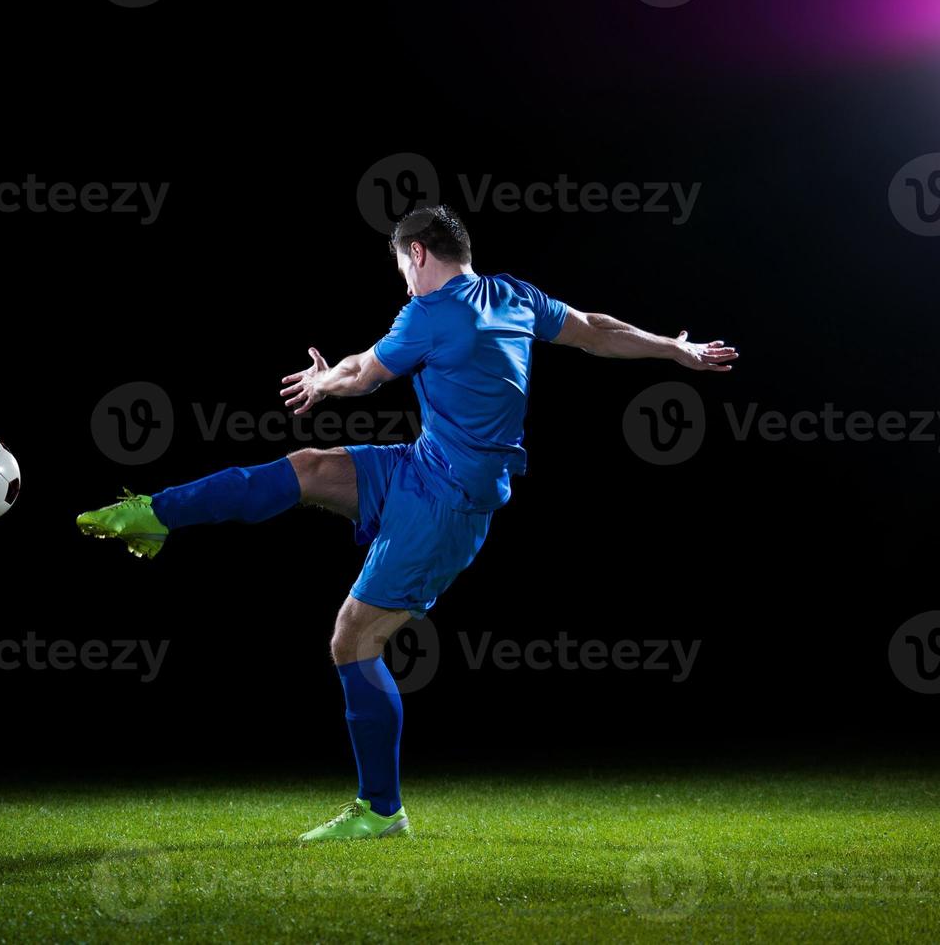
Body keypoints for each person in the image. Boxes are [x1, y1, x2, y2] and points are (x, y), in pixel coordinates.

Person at [76, 205, 737, 842]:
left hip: (449, 498)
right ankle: (154, 514)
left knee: (352, 638)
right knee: (306, 467)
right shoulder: (512, 296)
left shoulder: (429, 312)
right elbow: (596, 327)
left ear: (416, 252)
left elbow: (364, 374)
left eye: (400, 262)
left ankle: (379, 809)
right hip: (421, 464)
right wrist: (673, 350)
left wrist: (325, 382)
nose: (402, 274)